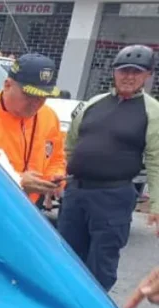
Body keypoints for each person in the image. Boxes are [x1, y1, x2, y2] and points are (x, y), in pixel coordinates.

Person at [59, 45, 159, 292]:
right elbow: (71, 142)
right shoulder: (94, 103)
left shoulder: (152, 111)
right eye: (124, 70)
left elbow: (156, 160)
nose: (129, 77)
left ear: (148, 75)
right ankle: (66, 307)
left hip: (113, 196)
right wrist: (65, 176)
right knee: (66, 255)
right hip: (76, 192)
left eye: (136, 72)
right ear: (114, 72)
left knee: (102, 260)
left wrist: (156, 205)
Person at [0, 53, 67, 206]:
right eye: (29, 95)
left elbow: (56, 158)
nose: (36, 103)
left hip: (30, 207)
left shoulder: (49, 116)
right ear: (7, 85)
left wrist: (55, 176)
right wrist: (17, 181)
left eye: (43, 96)